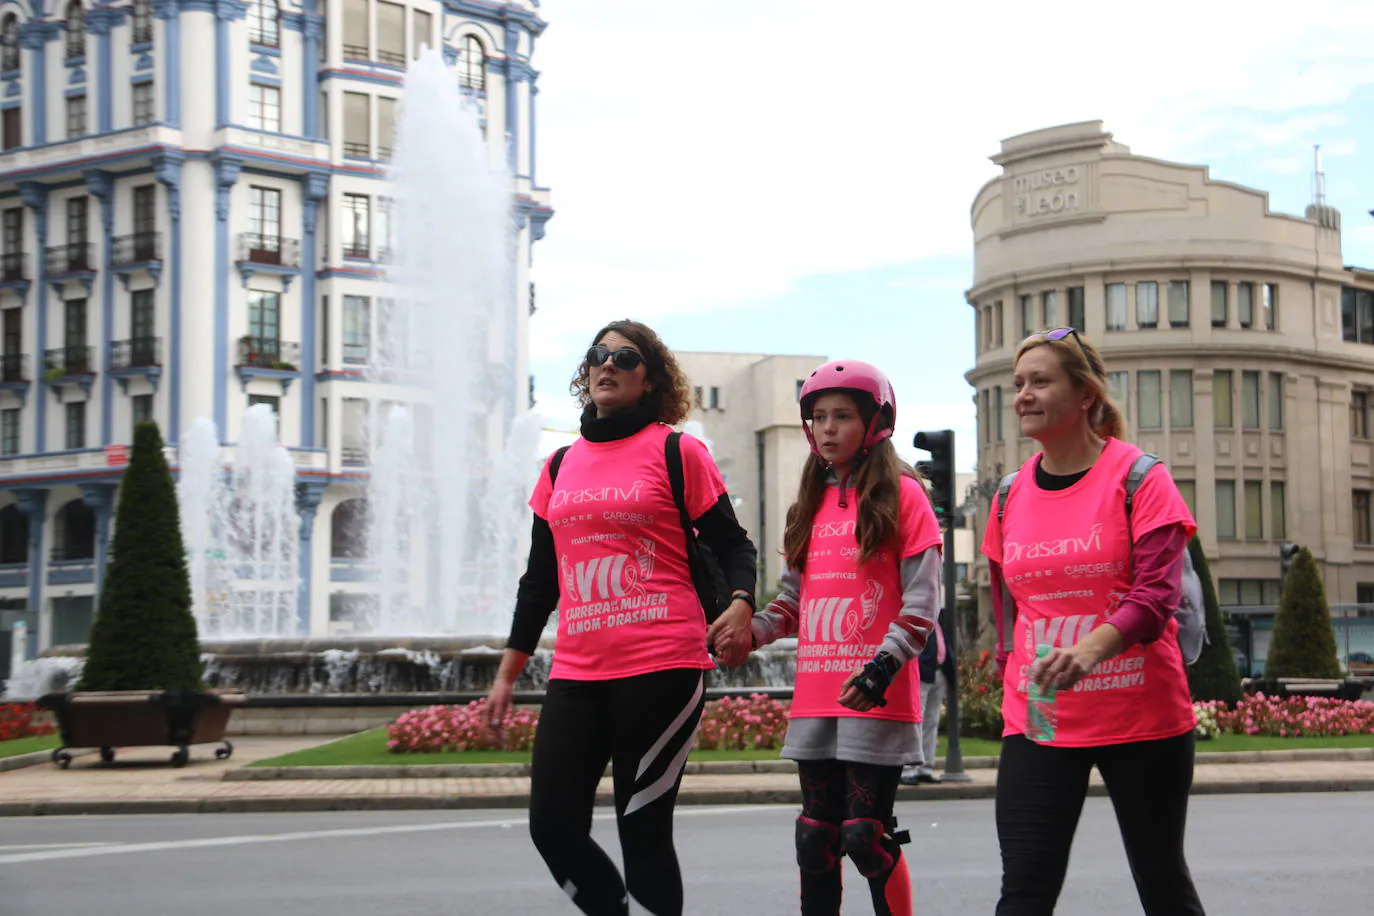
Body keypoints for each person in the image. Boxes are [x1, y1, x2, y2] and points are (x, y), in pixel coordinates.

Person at [482, 320, 759, 916]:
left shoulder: (677, 451)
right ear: (585, 374)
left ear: (649, 377)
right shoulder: (558, 466)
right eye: (596, 356)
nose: (607, 364)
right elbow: (540, 582)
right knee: (552, 827)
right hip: (578, 672)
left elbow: (734, 546)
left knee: (642, 833)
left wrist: (740, 603)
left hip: (663, 666)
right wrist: (507, 675)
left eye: (625, 357)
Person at [982, 327, 1206, 916]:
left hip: (1141, 714)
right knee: (1025, 890)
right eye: (1018, 384)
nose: (1024, 395)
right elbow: (1004, 603)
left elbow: (1156, 596)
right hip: (1041, 718)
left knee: (1161, 882)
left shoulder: (1139, 478)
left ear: (1085, 395)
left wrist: (1087, 651)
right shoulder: (1008, 495)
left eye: (1041, 381)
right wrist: (1011, 668)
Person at [737, 359, 943, 916]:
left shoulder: (904, 495)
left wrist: (881, 668)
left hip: (875, 697)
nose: (827, 429)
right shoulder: (808, 502)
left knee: (863, 836)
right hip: (816, 699)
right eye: (819, 417)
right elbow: (792, 603)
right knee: (814, 839)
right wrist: (750, 631)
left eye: (843, 416)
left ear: (875, 422)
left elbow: (923, 602)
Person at [899, 617, 954, 786]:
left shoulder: (938, 618)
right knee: (916, 722)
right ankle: (908, 769)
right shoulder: (919, 618)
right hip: (922, 674)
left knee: (932, 722)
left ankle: (925, 768)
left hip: (938, 673)